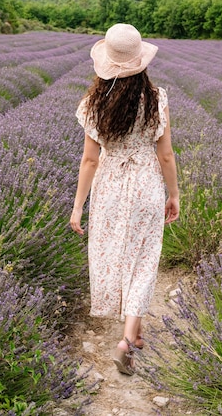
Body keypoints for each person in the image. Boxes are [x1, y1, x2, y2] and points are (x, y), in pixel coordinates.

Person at [70, 23, 180, 376]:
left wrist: (77, 206)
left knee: (117, 254)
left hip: (110, 186)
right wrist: (174, 193)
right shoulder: (156, 98)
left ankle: (131, 334)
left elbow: (89, 160)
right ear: (140, 62)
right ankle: (129, 339)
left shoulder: (93, 103)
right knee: (144, 258)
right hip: (146, 183)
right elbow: (166, 155)